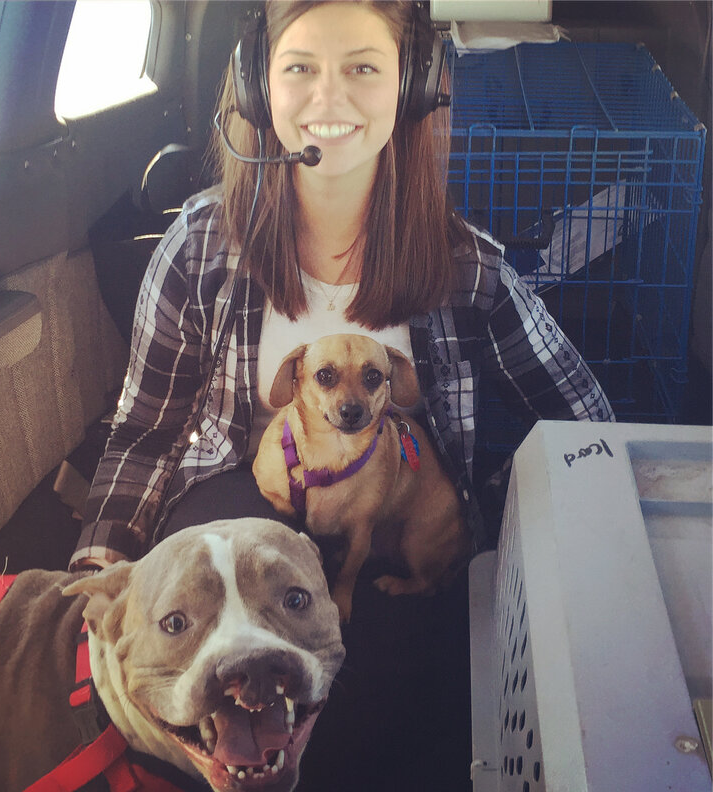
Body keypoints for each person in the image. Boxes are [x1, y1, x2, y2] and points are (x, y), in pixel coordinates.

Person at [70, 2, 613, 789]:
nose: (329, 99)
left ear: (414, 88)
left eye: (363, 67)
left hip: (387, 526)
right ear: (259, 88)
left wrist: (490, 525)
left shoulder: (469, 269)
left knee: (376, 717)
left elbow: (583, 421)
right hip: (231, 508)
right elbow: (146, 430)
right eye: (300, 68)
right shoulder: (199, 245)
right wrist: (92, 573)